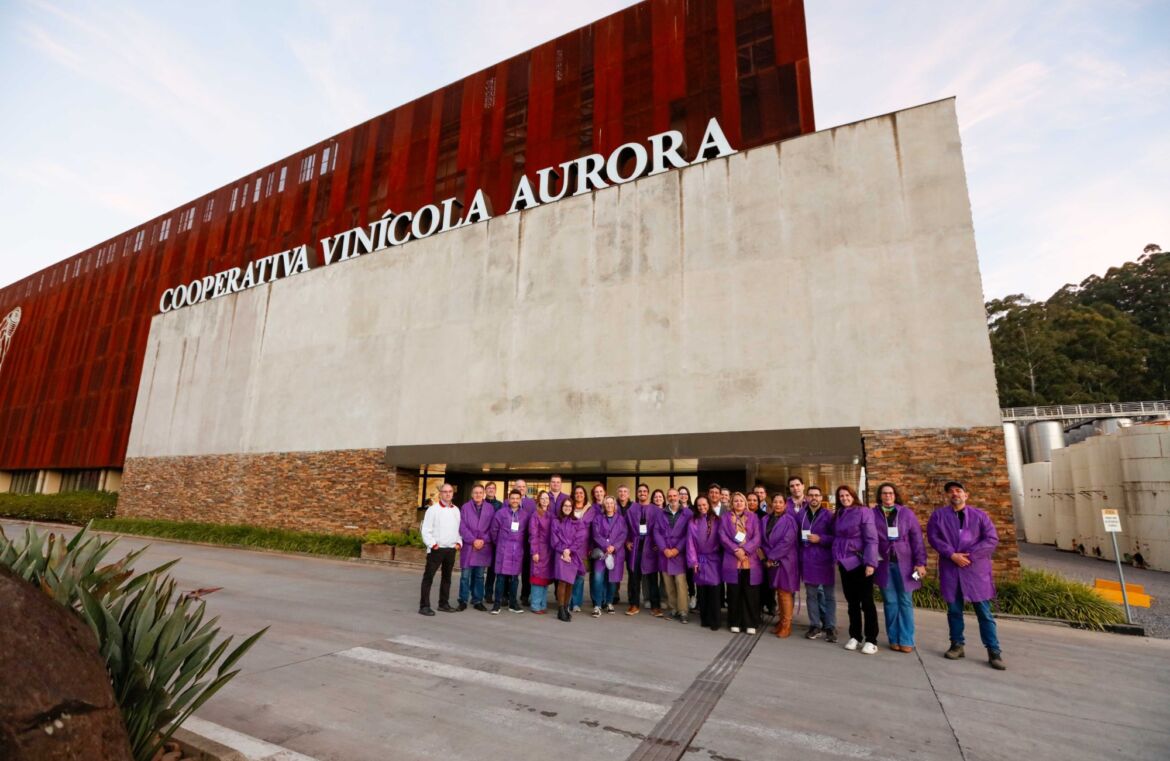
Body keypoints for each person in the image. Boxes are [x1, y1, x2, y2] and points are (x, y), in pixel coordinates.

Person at [927, 481, 1006, 670]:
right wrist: (952, 555)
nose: (954, 494)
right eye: (950, 491)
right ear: (947, 496)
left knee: (984, 613)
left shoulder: (980, 516)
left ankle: (994, 651)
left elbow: (991, 539)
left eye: (958, 490)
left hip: (975, 570)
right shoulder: (938, 516)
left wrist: (969, 556)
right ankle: (957, 645)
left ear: (966, 495)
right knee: (954, 611)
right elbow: (933, 537)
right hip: (951, 568)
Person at [873, 483, 927, 651]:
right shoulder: (873, 514)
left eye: (890, 493)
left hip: (906, 564)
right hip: (883, 563)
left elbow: (917, 539)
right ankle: (893, 638)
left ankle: (906, 640)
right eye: (884, 493)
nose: (887, 496)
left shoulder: (906, 513)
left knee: (905, 601)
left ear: (895, 495)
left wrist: (920, 562)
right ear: (880, 496)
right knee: (890, 602)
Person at [833, 485, 881, 653]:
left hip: (861, 562)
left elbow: (871, 538)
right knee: (852, 602)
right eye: (841, 496)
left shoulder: (863, 511)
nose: (844, 498)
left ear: (853, 496)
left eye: (847, 495)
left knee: (866, 602)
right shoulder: (839, 514)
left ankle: (871, 639)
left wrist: (871, 563)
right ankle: (855, 636)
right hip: (844, 562)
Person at [720, 492, 762, 634]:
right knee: (734, 593)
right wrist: (735, 550)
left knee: (750, 594)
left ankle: (750, 623)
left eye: (741, 501)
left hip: (750, 560)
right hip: (732, 559)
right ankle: (734, 622)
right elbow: (722, 536)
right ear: (732, 503)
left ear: (745, 503)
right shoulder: (725, 518)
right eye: (736, 501)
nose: (739, 503)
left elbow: (757, 537)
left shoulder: (753, 517)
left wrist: (745, 550)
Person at [800, 485, 838, 641]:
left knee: (829, 596)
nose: (814, 498)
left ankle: (830, 627)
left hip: (825, 560)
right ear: (806, 498)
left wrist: (820, 539)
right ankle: (815, 625)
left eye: (816, 495)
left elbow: (836, 537)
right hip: (808, 560)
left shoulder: (829, 515)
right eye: (811, 495)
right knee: (811, 595)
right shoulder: (801, 515)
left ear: (821, 498)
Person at [419, 483, 461, 615]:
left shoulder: (456, 510)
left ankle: (443, 603)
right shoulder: (433, 510)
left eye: (450, 491)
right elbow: (425, 529)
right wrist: (433, 545)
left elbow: (459, 529)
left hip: (451, 549)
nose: (448, 494)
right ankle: (424, 606)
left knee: (447, 578)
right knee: (429, 577)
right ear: (440, 494)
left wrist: (458, 543)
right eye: (445, 492)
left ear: (453, 494)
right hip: (436, 549)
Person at [762, 494, 800, 637]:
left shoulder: (790, 520)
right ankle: (781, 621)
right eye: (775, 502)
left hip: (786, 561)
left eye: (780, 502)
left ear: (785, 505)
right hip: (771, 560)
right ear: (771, 504)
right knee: (779, 591)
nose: (777, 504)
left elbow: (787, 542)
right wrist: (767, 556)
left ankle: (786, 625)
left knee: (785, 592)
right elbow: (763, 540)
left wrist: (771, 557)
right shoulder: (765, 519)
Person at [655, 487, 692, 623]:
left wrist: (677, 549)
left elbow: (688, 534)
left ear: (679, 497)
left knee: (680, 583)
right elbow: (656, 532)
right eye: (670, 496)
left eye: (674, 495)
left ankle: (683, 611)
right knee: (668, 583)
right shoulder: (660, 513)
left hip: (679, 554)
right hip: (665, 553)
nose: (672, 498)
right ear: (667, 498)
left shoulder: (688, 513)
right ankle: (673, 608)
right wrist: (664, 549)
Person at [625, 486, 662, 616]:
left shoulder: (656, 510)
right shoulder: (631, 509)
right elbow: (625, 527)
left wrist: (658, 543)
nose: (642, 493)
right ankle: (634, 605)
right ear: (637, 493)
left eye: (645, 491)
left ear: (648, 493)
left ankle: (655, 606)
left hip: (650, 546)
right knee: (634, 577)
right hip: (636, 546)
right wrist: (627, 541)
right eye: (640, 491)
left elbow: (661, 528)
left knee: (652, 578)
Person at [686, 496, 722, 630]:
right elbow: (690, 543)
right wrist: (693, 561)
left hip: (714, 560)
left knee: (714, 591)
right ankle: (705, 619)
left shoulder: (717, 520)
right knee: (702, 590)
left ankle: (715, 621)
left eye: (704, 504)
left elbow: (722, 538)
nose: (702, 507)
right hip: (700, 559)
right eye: (699, 505)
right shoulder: (693, 521)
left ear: (709, 504)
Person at [458, 484, 494, 611]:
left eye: (480, 492)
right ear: (472, 494)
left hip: (483, 547)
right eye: (475, 492)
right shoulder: (465, 507)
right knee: (465, 576)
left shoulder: (490, 508)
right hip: (469, 546)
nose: (478, 495)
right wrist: (473, 540)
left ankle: (477, 600)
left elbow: (492, 527)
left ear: (483, 494)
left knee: (479, 576)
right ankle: (462, 600)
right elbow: (462, 526)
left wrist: (483, 540)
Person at [551, 497, 587, 622]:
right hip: (560, 554)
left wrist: (569, 550)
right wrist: (563, 550)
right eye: (565, 505)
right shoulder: (556, 521)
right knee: (562, 581)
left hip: (572, 555)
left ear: (572, 508)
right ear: (562, 507)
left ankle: (566, 607)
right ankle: (560, 609)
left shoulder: (577, 522)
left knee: (570, 582)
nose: (567, 508)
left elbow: (580, 538)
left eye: (569, 506)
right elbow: (554, 539)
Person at [591, 496, 628, 616]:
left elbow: (623, 535)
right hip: (602, 554)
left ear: (614, 505)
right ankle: (597, 605)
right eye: (607, 503)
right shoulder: (598, 518)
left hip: (616, 554)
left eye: (611, 503)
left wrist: (614, 547)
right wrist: (606, 546)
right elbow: (596, 535)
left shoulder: (621, 519)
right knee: (598, 579)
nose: (609, 505)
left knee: (612, 580)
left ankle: (609, 602)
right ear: (604, 505)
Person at [569, 485, 596, 613]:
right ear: (573, 495)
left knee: (580, 577)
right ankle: (567, 601)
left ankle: (576, 603)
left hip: (583, 547)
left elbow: (586, 526)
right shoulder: (569, 507)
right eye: (577, 493)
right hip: (569, 546)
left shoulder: (590, 509)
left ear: (585, 495)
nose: (579, 495)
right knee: (569, 576)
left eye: (581, 493)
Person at [528, 490, 554, 614]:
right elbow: (533, 535)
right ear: (538, 500)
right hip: (539, 549)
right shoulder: (535, 515)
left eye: (547, 498)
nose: (545, 500)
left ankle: (543, 604)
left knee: (545, 579)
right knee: (537, 578)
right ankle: (535, 605)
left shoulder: (550, 514)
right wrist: (535, 551)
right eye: (542, 498)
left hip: (549, 550)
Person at [483, 482, 504, 603]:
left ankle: (490, 594)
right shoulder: (481, 503)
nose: (491, 490)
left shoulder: (500, 505)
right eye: (489, 488)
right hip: (483, 540)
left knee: (493, 569)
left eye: (493, 488)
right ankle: (478, 594)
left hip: (496, 541)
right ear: (485, 490)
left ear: (495, 490)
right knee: (479, 570)